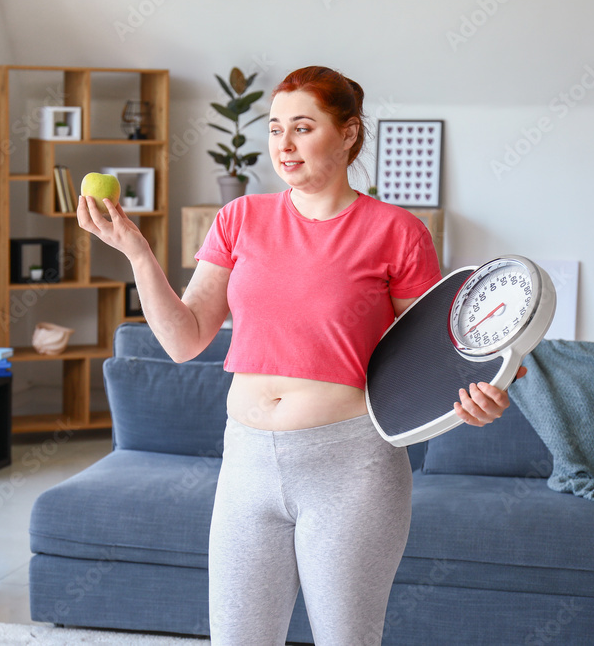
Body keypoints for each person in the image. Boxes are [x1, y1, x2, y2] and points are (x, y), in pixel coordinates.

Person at [77, 65, 524, 646]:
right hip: (245, 461)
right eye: (275, 129)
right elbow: (184, 340)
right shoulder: (239, 219)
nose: (283, 145)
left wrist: (474, 398)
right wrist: (138, 255)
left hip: (352, 466)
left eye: (303, 127)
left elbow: (435, 359)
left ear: (348, 134)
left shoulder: (397, 232)